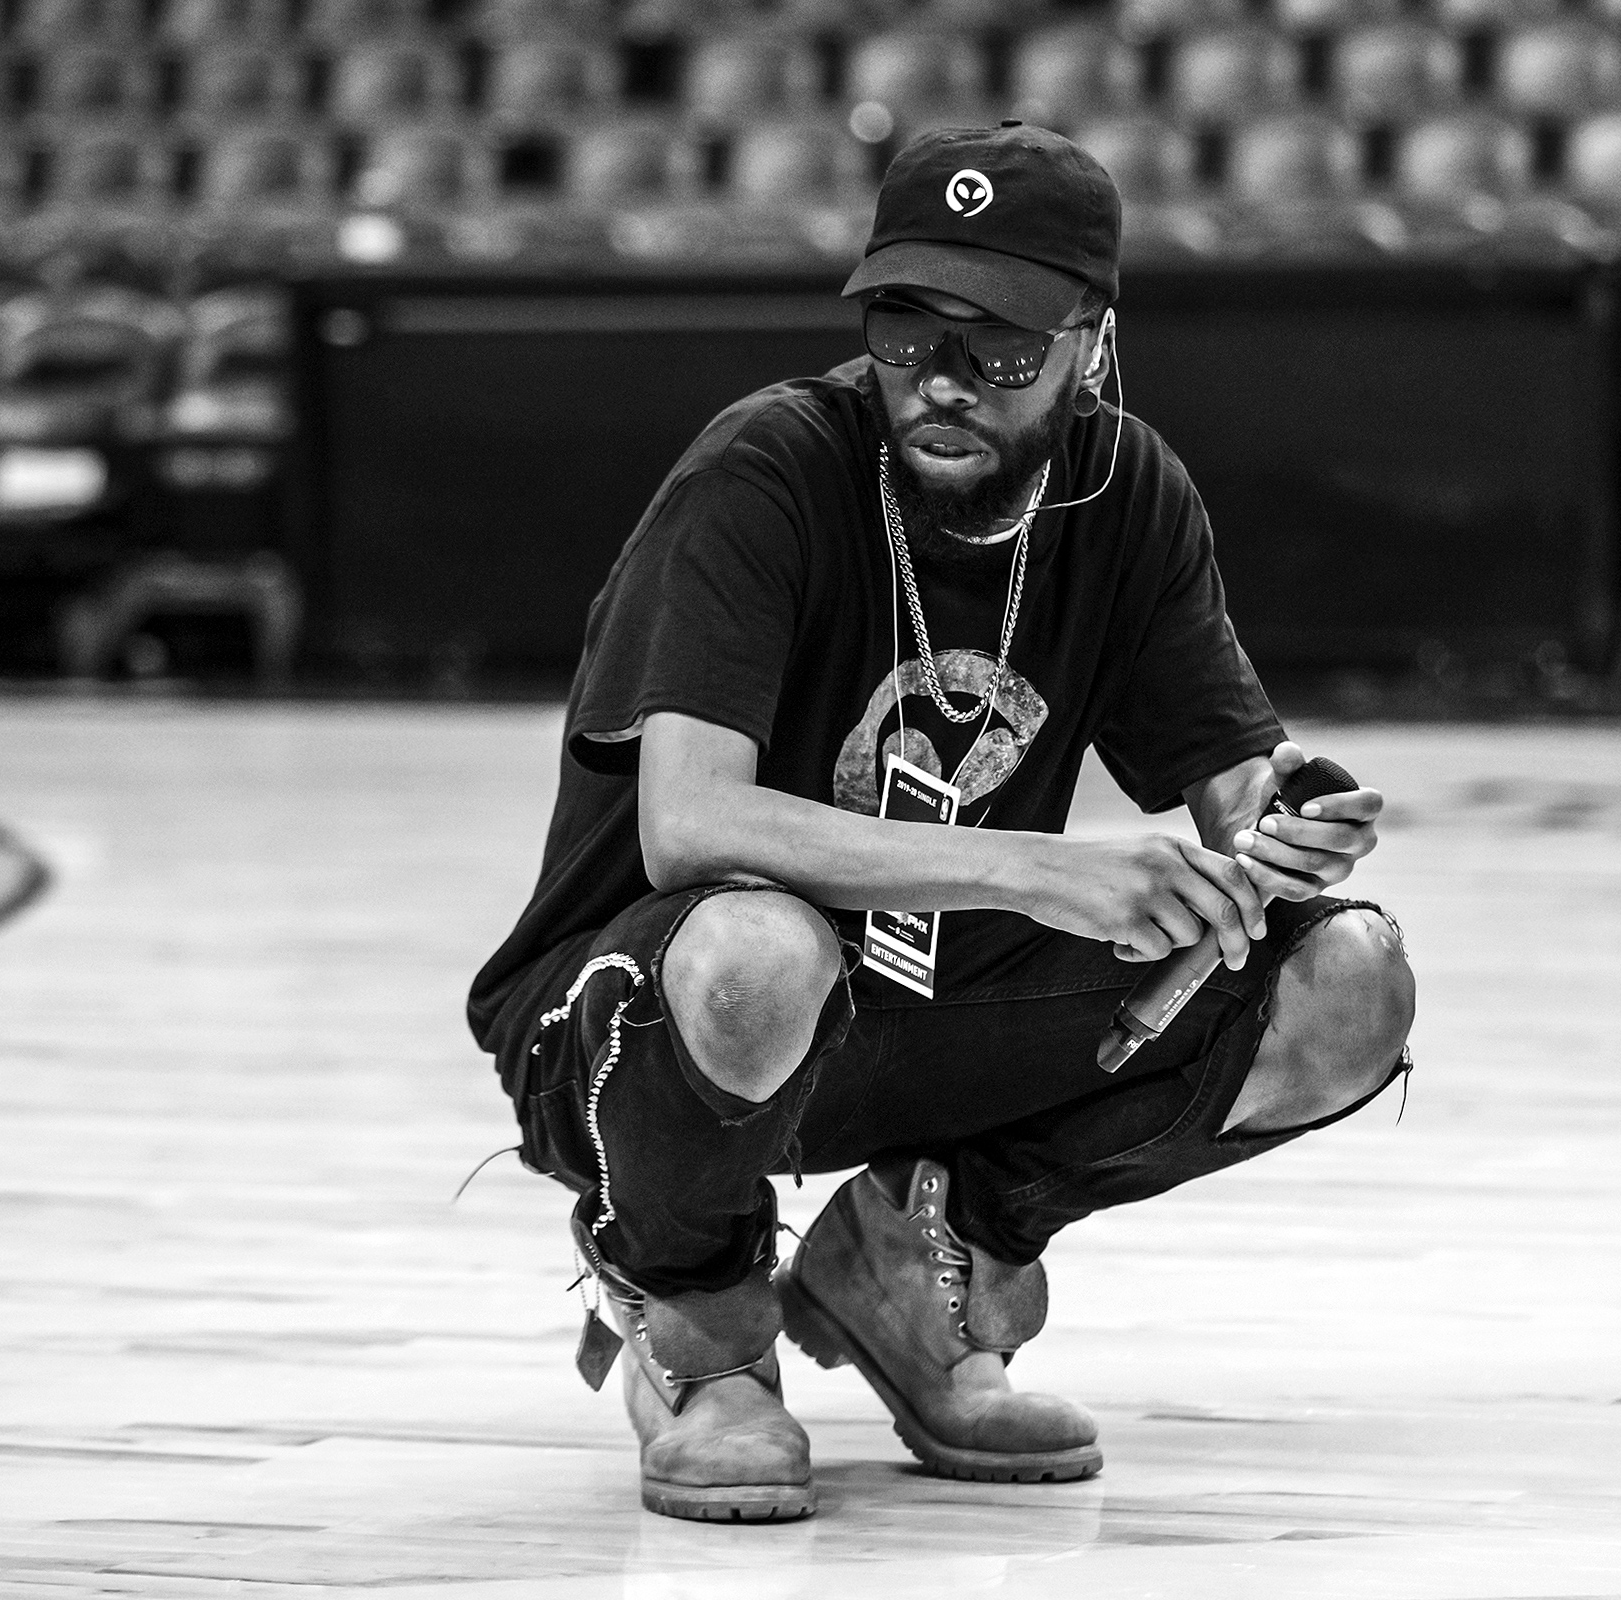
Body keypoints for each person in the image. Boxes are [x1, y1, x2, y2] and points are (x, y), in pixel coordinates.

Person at [466, 121, 1416, 1524]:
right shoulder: (767, 469)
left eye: (1002, 347)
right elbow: (688, 823)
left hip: (926, 1006)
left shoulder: (1129, 491)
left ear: (1092, 344)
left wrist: (1287, 828)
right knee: (756, 948)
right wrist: (1039, 872)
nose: (945, 380)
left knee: (1351, 980)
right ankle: (700, 1330)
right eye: (908, 334)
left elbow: (1236, 783)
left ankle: (917, 1268)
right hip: (643, 1017)